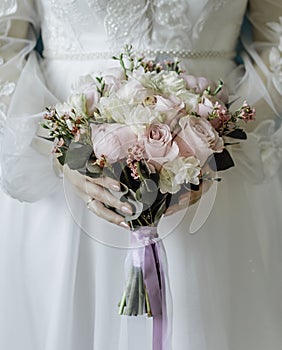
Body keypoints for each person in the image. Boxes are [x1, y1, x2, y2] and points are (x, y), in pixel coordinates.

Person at [0, 0, 282, 349]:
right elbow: (5, 43)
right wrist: (58, 149)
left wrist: (217, 142)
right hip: (63, 184)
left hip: (218, 177)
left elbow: (276, 41)